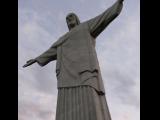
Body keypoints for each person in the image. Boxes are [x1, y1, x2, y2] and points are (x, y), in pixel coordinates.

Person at [23, 0, 124, 120]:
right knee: (66, 102)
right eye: (67, 18)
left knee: (89, 97)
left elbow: (104, 17)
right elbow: (51, 51)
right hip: (66, 76)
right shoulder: (63, 39)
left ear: (76, 19)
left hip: (85, 71)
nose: (69, 18)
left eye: (71, 16)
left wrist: (119, 2)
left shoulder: (86, 27)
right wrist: (36, 59)